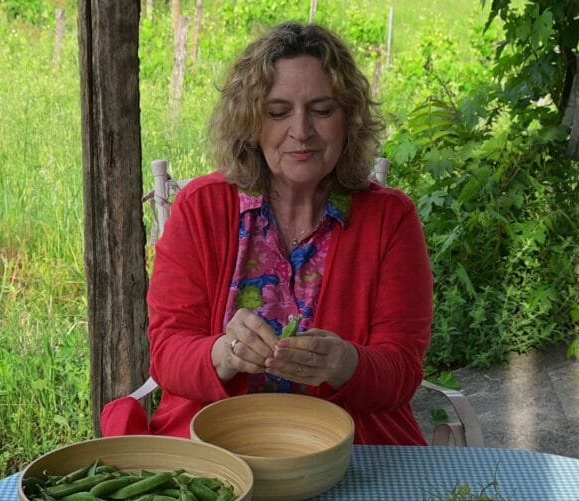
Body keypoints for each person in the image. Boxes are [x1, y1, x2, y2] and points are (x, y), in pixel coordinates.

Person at [108, 22, 434, 445]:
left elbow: (402, 372)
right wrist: (225, 353)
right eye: (278, 112)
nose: (301, 131)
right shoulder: (201, 208)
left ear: (349, 118)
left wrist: (347, 363)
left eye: (322, 110)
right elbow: (167, 353)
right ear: (250, 123)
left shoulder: (391, 219)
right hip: (216, 447)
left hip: (352, 453)